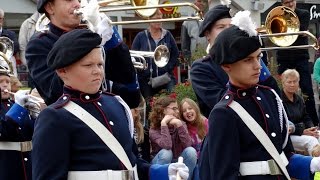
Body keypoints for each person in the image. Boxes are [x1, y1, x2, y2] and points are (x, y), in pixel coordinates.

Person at [32, 29, 189, 180]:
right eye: (88, 65)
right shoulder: (55, 117)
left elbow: (131, 164)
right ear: (62, 71)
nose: (97, 71)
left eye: (100, 65)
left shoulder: (117, 104)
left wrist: (162, 172)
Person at [199, 10, 320, 180]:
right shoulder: (224, 113)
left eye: (259, 57)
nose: (258, 66)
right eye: (248, 60)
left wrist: (312, 164)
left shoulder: (270, 96)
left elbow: (284, 157)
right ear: (227, 66)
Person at [26, 0, 140, 108]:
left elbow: (130, 93)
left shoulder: (91, 33)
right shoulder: (39, 43)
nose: (77, 4)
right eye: (69, 0)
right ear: (50, 7)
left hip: (108, 114)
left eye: (79, 0)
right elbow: (54, 94)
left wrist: (111, 39)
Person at [190, 2, 281, 118]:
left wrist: (253, 51)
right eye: (221, 27)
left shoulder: (253, 58)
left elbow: (274, 94)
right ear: (208, 35)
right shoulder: (201, 68)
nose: (228, 31)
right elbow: (223, 103)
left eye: (231, 27)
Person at [276, 0, 319, 126]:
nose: (289, 4)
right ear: (282, 4)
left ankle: (314, 123)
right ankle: (284, 122)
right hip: (283, 56)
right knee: (282, 90)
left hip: (300, 56)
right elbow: (276, 35)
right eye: (286, 2)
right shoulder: (278, 15)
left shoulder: (304, 13)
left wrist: (289, 17)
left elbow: (300, 31)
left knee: (307, 90)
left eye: (291, 1)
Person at [131, 9, 179, 100]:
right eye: (156, 18)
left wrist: (168, 68)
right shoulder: (140, 36)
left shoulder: (167, 35)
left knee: (171, 103)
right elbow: (134, 57)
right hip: (147, 81)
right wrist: (143, 72)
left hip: (166, 78)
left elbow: (175, 54)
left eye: (160, 18)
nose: (159, 21)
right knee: (150, 108)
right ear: (149, 19)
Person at [0, 65, 36, 180]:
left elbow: (33, 134)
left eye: (8, 82)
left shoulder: (16, 105)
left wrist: (35, 116)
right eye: (1, 82)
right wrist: (19, 107)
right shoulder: (17, 106)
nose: (5, 85)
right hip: (6, 165)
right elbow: (4, 131)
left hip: (28, 164)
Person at [149, 96, 197, 180]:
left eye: (177, 109)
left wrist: (179, 125)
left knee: (191, 151)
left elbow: (188, 144)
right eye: (174, 109)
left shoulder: (180, 124)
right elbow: (167, 145)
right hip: (160, 164)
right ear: (163, 110)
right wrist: (164, 124)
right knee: (166, 152)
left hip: (177, 160)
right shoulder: (154, 129)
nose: (178, 112)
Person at [281, 69, 320, 156]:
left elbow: (306, 117)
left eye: (295, 81)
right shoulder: (279, 100)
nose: (292, 84)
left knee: (318, 134)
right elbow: (285, 124)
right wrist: (302, 130)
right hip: (288, 136)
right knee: (311, 141)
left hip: (302, 131)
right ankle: (315, 167)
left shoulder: (298, 98)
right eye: (289, 82)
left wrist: (311, 128)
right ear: (283, 82)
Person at [0, 8, 19, 76]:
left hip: (6, 63)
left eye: (0, 18)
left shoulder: (11, 34)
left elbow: (15, 48)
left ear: (3, 19)